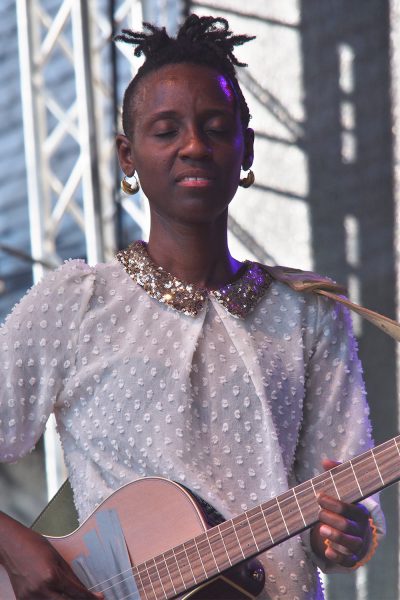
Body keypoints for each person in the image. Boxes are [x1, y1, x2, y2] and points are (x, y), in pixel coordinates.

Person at [0, 14, 385, 600]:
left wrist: (349, 535)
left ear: (246, 147)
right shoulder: (77, 302)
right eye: (166, 130)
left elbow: (344, 504)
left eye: (215, 127)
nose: (194, 146)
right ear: (128, 156)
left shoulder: (311, 313)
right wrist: (19, 550)